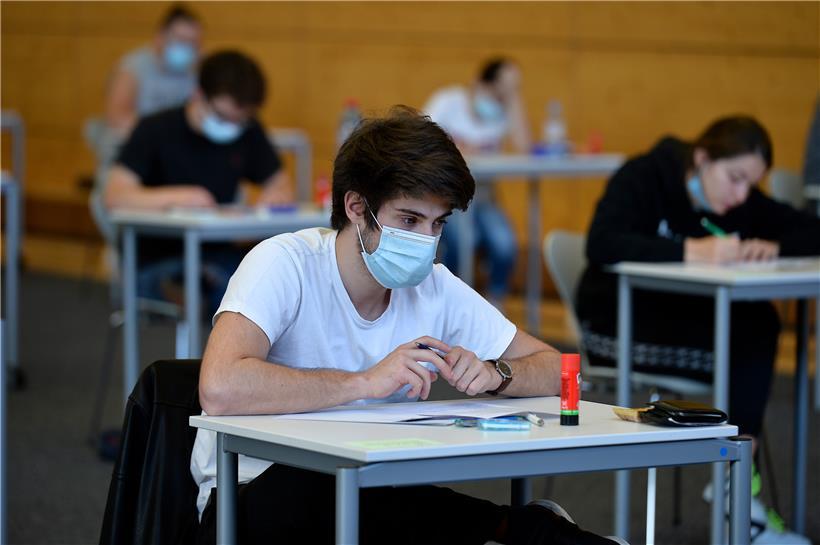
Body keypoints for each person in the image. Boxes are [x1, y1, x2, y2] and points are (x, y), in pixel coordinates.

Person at [191, 107, 624, 545]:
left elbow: (561, 368)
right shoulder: (284, 263)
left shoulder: (433, 284)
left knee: (386, 496)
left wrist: (498, 373)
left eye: (437, 224)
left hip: (370, 487)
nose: (425, 242)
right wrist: (363, 382)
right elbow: (220, 386)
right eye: (409, 220)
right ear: (357, 207)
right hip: (250, 496)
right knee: (357, 493)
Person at [576, 116, 819, 545]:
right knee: (750, 336)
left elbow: (809, 229)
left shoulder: (739, 202)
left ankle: (737, 476)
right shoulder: (644, 176)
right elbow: (602, 243)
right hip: (616, 326)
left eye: (751, 184)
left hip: (679, 325)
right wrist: (692, 249)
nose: (741, 194)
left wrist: (776, 247)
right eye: (735, 178)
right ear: (703, 158)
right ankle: (737, 483)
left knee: (757, 321)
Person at [104, 50, 292, 317]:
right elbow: (114, 195)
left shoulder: (248, 131)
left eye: (241, 119)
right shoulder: (154, 129)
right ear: (198, 95)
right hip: (156, 259)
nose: (232, 126)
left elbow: (279, 181)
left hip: (219, 253)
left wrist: (276, 195)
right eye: (223, 117)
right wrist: (179, 197)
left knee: (273, 282)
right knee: (232, 292)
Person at [423, 57, 531, 309]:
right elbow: (422, 138)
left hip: (483, 199)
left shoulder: (503, 113)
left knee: (505, 244)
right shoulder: (448, 101)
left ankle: (493, 309)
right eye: (499, 90)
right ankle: (448, 304)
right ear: (479, 83)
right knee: (464, 240)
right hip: (448, 199)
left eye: (508, 92)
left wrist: (514, 99)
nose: (500, 99)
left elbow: (525, 147)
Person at [106, 4, 202, 141]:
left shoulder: (199, 70)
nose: (187, 47)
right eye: (181, 40)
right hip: (137, 140)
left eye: (193, 43)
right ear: (160, 38)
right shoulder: (133, 67)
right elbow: (117, 117)